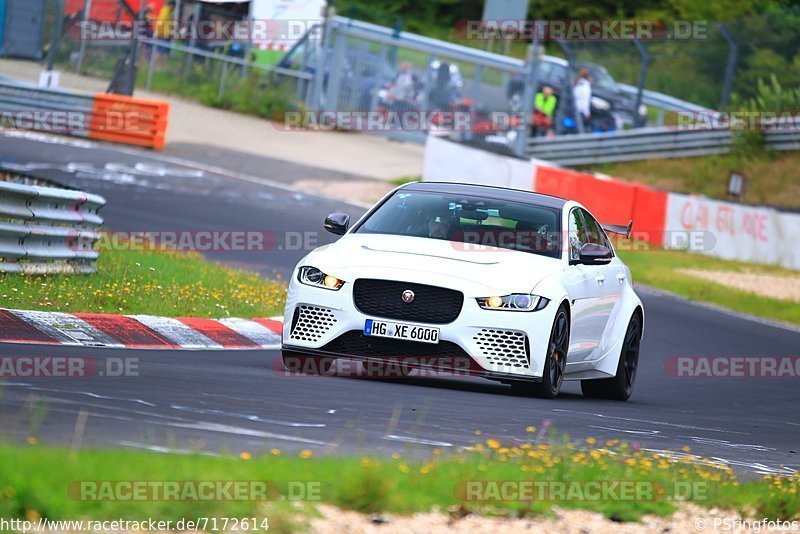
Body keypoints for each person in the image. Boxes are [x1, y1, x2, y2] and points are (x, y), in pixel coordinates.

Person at [154, 0, 175, 67]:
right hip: (163, 35)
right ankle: (162, 66)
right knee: (163, 52)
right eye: (173, 7)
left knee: (161, 51)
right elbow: (162, 22)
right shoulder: (166, 11)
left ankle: (160, 66)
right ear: (171, 5)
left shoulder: (167, 11)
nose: (173, 9)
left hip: (163, 34)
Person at [573, 68, 592, 133]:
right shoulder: (586, 86)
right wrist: (587, 112)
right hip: (581, 111)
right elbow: (585, 100)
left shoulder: (577, 84)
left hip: (574, 108)